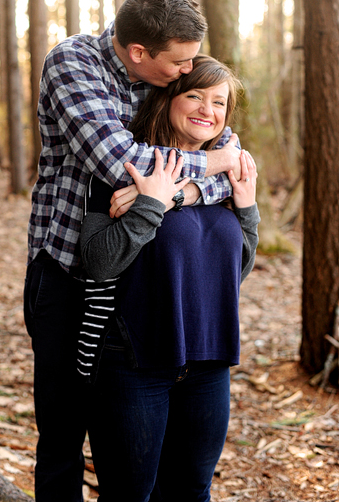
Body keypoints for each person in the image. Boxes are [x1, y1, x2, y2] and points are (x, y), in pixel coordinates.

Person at [24, 0, 243, 501]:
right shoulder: (73, 64)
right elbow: (120, 161)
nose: (188, 71)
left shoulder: (172, 73)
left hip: (141, 288)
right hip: (68, 272)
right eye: (180, 64)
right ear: (139, 52)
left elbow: (229, 147)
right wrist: (209, 167)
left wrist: (180, 191)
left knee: (132, 439)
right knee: (62, 433)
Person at [78, 55, 259, 501]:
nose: (207, 110)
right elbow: (98, 262)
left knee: (192, 491)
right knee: (129, 495)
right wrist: (150, 204)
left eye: (219, 102)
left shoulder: (226, 173)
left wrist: (248, 209)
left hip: (209, 362)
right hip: (136, 362)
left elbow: (235, 269)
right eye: (194, 95)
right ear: (168, 99)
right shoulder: (128, 171)